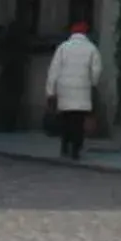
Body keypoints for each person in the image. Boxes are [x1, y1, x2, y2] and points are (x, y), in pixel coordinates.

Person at [44, 21, 102, 160]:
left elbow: (54, 71)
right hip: (82, 90)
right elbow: (96, 70)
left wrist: (50, 91)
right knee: (78, 121)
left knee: (66, 119)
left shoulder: (63, 48)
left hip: (64, 90)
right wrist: (92, 83)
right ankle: (76, 148)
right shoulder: (91, 48)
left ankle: (65, 145)